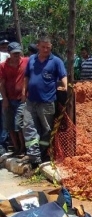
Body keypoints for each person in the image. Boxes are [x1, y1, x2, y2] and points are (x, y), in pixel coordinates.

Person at [21, 36, 68, 166]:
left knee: (46, 129)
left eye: (48, 47)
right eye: (43, 47)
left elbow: (63, 75)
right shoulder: (32, 60)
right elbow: (26, 77)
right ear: (38, 46)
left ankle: (43, 154)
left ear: (51, 47)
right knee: (29, 127)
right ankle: (34, 157)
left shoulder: (56, 61)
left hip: (47, 102)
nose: (46, 49)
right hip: (31, 101)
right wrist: (24, 92)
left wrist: (66, 86)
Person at [0, 42, 29, 155]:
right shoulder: (3, 66)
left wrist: (24, 92)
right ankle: (16, 148)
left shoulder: (25, 62)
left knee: (19, 124)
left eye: (18, 53)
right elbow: (2, 84)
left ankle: (23, 147)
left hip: (21, 99)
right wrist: (5, 100)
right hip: (9, 99)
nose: (17, 56)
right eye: (14, 54)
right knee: (9, 125)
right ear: (9, 54)